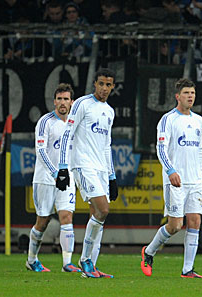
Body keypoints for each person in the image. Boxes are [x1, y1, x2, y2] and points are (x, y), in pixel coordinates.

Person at [140, 78, 202, 279]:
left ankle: (188, 270)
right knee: (175, 226)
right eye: (186, 93)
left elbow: (199, 151)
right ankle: (149, 252)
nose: (190, 97)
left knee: (195, 221)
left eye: (193, 93)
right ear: (177, 96)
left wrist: (200, 174)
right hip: (175, 180)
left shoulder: (199, 121)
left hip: (195, 180)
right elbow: (160, 148)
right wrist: (170, 171)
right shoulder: (168, 119)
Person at [56, 68, 118, 279]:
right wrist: (63, 167)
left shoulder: (109, 111)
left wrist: (112, 176)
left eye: (108, 85)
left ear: (113, 87)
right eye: (101, 84)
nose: (104, 88)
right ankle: (84, 260)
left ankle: (91, 267)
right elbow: (67, 134)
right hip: (83, 165)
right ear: (95, 84)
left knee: (97, 216)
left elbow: (107, 145)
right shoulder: (82, 103)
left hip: (101, 168)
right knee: (103, 210)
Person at [25, 83, 81, 273]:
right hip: (46, 179)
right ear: (54, 101)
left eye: (66, 99)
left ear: (72, 102)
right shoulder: (45, 122)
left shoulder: (75, 124)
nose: (63, 102)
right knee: (43, 221)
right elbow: (40, 151)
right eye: (60, 99)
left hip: (67, 179)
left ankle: (67, 263)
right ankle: (32, 259)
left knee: (66, 216)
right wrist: (56, 173)